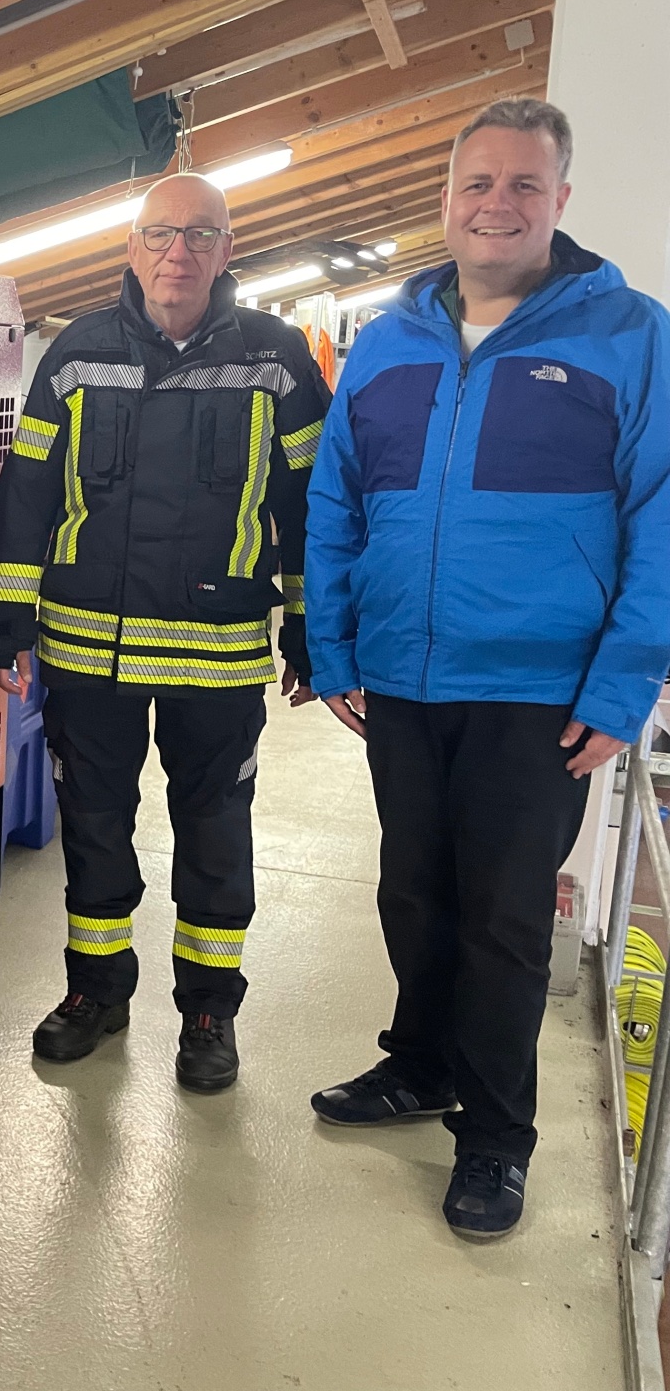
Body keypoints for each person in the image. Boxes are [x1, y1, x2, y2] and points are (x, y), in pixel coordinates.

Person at [306, 98, 670, 1238]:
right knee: (414, 892)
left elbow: (661, 521)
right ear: (447, 201)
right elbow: (336, 502)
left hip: (540, 694)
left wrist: (623, 689)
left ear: (561, 201)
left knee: (506, 919)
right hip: (404, 678)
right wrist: (331, 647)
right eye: (478, 184)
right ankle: (417, 1066)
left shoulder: (631, 334)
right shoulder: (388, 336)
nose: (497, 204)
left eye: (523, 185)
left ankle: (496, 1138)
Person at [0, 174, 329, 1091]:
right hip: (89, 652)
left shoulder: (277, 359)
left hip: (218, 657)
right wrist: (6, 621)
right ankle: (96, 991)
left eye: (200, 236)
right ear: (131, 245)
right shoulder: (76, 353)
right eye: (162, 234)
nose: (179, 254)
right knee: (94, 827)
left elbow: (315, 510)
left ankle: (209, 1012)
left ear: (227, 249)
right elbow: (30, 492)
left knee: (215, 836)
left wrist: (315, 634)